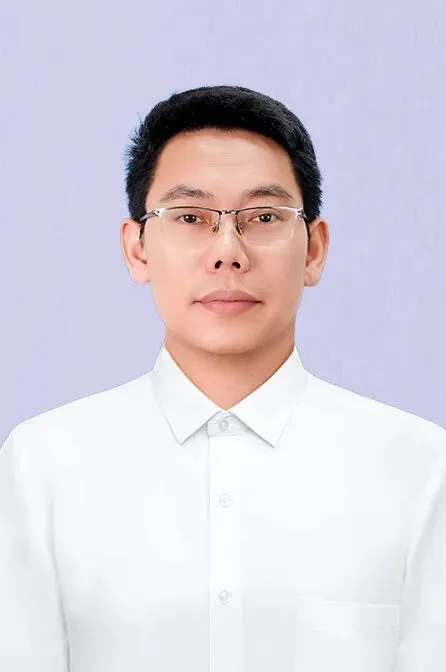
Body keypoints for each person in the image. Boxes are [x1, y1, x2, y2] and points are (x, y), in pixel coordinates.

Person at [0, 85, 445, 672]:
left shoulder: (420, 469)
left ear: (314, 249)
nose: (228, 252)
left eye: (264, 217)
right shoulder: (43, 466)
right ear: (137, 249)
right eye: (191, 217)